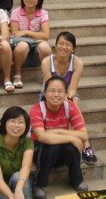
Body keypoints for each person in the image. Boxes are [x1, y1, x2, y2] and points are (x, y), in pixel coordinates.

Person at [40, 31, 96, 165]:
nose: (63, 47)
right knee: (67, 104)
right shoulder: (46, 62)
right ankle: (80, 144)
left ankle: (85, 145)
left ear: (73, 49)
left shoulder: (77, 63)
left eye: (68, 45)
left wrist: (67, 99)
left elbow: (72, 89)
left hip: (69, 93)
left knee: (73, 104)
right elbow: (49, 87)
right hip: (49, 93)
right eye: (61, 43)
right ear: (55, 45)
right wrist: (60, 97)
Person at [30, 76, 89, 199]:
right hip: (40, 152)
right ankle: (39, 184)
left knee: (71, 148)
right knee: (52, 146)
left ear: (66, 94)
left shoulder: (70, 106)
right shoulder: (37, 109)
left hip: (61, 151)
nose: (56, 94)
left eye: (60, 91)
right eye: (52, 91)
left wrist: (57, 131)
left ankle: (76, 180)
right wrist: (72, 138)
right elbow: (42, 137)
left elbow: (84, 135)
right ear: (44, 93)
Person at [0, 106, 34, 199]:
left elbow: (26, 167)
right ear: (5, 123)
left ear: (26, 126)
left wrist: (18, 189)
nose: (16, 125)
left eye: (21, 122)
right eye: (12, 121)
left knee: (19, 177)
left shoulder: (27, 142)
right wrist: (11, 197)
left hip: (13, 183)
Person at [10, 0, 52, 89]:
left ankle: (45, 75)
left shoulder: (43, 13)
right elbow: (15, 34)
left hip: (36, 52)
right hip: (20, 50)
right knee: (22, 45)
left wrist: (26, 32)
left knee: (45, 47)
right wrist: (36, 37)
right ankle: (17, 74)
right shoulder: (16, 12)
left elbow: (45, 36)